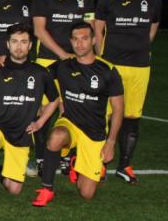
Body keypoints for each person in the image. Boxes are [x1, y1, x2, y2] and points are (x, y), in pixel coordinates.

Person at [32, 22, 124, 206]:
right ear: (71, 42)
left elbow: (119, 109)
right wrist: (4, 60)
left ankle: (75, 162)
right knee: (56, 136)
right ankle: (47, 189)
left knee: (86, 193)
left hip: (94, 133)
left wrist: (111, 143)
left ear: (94, 40)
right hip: (70, 124)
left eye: (84, 38)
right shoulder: (63, 66)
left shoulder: (108, 70)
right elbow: (33, 73)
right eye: (75, 39)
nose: (80, 44)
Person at [94, 0, 161, 184]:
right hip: (113, 66)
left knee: (132, 117)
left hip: (140, 68)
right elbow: (98, 31)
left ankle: (124, 165)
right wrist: (100, 60)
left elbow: (152, 30)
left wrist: (138, 48)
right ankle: (99, 163)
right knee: (105, 115)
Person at [0, 23, 60, 203]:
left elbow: (54, 100)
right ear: (8, 44)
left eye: (23, 42)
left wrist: (40, 122)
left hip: (22, 134)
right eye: (14, 41)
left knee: (14, 190)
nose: (18, 46)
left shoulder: (40, 73)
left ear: (30, 45)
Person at [30, 0, 95, 175]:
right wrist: (63, 55)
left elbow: (91, 29)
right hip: (48, 60)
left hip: (78, 62)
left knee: (72, 108)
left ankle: (67, 157)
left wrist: (90, 57)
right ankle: (40, 158)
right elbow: (39, 30)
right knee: (43, 108)